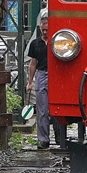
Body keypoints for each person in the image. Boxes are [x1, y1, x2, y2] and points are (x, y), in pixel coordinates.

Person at [26, 9, 65, 149]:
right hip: (41, 74)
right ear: (40, 28)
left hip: (56, 74)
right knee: (42, 109)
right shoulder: (35, 44)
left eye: (47, 30)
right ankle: (43, 139)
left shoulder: (58, 42)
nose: (45, 32)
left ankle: (60, 137)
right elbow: (33, 63)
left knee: (57, 108)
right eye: (43, 30)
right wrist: (30, 82)